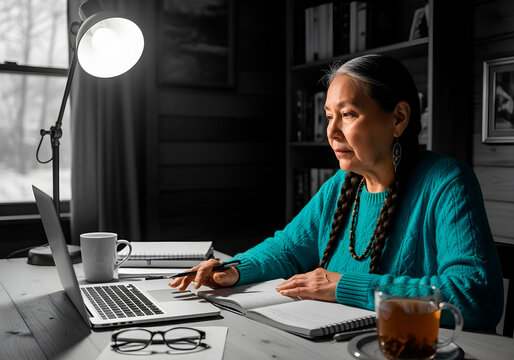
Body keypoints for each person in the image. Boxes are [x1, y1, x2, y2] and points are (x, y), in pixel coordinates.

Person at [169, 54, 504, 331]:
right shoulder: (342, 186)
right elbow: (287, 248)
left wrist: (343, 286)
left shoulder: (446, 182)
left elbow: (473, 297)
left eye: (348, 115)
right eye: (329, 116)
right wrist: (235, 269)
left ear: (399, 118)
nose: (331, 131)